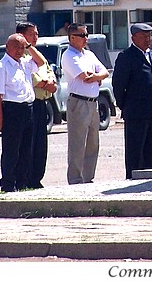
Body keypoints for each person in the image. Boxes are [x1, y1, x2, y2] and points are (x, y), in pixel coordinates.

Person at [112, 23, 152, 179]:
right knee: (135, 151)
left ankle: (149, 178)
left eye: (149, 36)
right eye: (143, 37)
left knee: (151, 150)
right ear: (133, 38)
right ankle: (132, 179)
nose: (147, 40)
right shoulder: (126, 56)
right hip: (136, 112)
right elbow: (119, 85)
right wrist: (124, 105)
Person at [62, 22, 110, 184]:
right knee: (77, 142)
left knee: (93, 142)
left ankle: (88, 177)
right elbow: (85, 76)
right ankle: (75, 179)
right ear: (72, 37)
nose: (86, 38)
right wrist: (97, 77)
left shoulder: (88, 54)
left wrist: (96, 77)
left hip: (93, 102)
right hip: (78, 102)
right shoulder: (69, 55)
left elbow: (104, 71)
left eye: (86, 34)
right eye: (82, 35)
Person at [0, 33, 36, 192]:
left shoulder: (24, 63)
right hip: (12, 110)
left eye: (22, 47)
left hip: (28, 108)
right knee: (11, 150)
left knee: (26, 148)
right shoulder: (2, 67)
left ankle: (22, 183)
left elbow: (41, 62)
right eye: (16, 47)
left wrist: (29, 47)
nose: (19, 51)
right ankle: (8, 184)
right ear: (7, 47)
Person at [17, 21, 54, 189]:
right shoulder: (18, 56)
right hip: (27, 104)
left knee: (40, 145)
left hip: (42, 103)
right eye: (32, 34)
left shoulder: (33, 54)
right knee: (28, 144)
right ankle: (25, 179)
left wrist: (50, 83)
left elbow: (44, 66)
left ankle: (36, 179)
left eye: (37, 34)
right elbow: (31, 78)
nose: (35, 37)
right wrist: (44, 83)